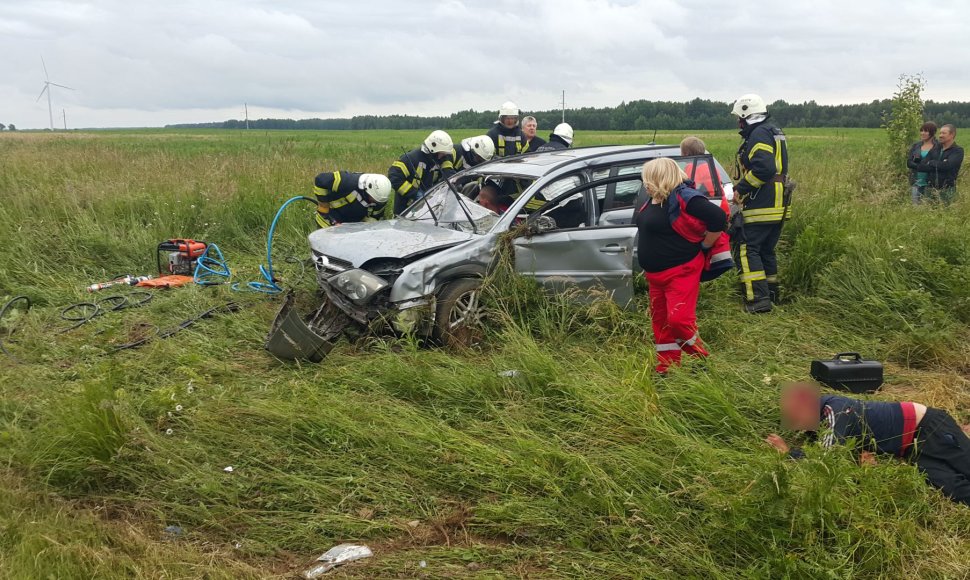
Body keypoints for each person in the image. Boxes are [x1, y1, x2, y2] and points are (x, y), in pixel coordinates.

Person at [767, 382, 970, 506]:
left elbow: (825, 460)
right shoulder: (818, 423)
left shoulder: (835, 411)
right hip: (911, 449)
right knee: (952, 489)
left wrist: (789, 454)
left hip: (929, 427)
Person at [636, 158, 726, 374]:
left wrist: (705, 245)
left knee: (678, 320)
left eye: (647, 178)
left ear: (659, 177)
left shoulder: (685, 197)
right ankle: (666, 368)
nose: (644, 183)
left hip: (681, 271)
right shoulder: (653, 200)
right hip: (656, 276)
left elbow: (719, 218)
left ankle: (701, 359)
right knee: (661, 323)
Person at [730, 94, 791, 313]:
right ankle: (772, 295)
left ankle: (758, 301)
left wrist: (740, 189)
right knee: (766, 250)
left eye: (739, 118)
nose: (738, 123)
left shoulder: (759, 133)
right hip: (777, 203)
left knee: (747, 249)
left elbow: (764, 169)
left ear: (747, 115)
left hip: (762, 203)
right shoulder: (772, 130)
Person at [388, 130, 454, 215]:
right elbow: (394, 177)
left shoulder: (439, 159)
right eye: (442, 153)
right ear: (433, 150)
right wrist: (415, 193)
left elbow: (448, 173)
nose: (443, 156)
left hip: (428, 206)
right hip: (406, 208)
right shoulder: (411, 159)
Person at [312, 171, 392, 228]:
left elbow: (377, 216)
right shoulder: (348, 181)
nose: (374, 202)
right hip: (328, 220)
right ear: (367, 188)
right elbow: (320, 180)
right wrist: (324, 206)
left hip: (352, 226)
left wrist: (372, 225)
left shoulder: (380, 197)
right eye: (373, 199)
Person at [918, 124, 964, 204]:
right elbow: (921, 166)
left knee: (946, 213)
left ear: (952, 135)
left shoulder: (957, 151)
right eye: (940, 133)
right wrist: (941, 164)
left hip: (946, 190)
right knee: (927, 214)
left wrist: (931, 162)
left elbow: (948, 166)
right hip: (930, 189)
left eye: (943, 133)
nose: (940, 135)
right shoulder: (935, 148)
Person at [907, 122, 938, 205]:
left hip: (931, 183)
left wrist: (919, 165)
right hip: (916, 181)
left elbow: (936, 165)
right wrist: (922, 166)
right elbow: (909, 163)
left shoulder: (938, 146)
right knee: (915, 207)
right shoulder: (916, 145)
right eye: (921, 130)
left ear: (933, 133)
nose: (922, 133)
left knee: (929, 207)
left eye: (926, 131)